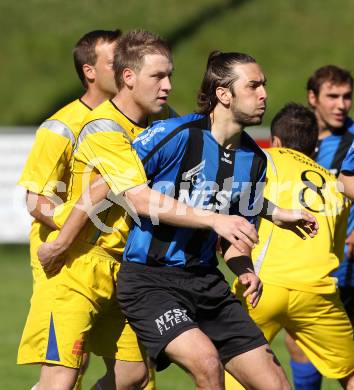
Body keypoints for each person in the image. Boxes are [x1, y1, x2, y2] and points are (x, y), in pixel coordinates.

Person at [36, 32, 267, 390]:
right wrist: (60, 243)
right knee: (63, 375)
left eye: (170, 75)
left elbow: (212, 187)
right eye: (159, 76)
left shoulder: (162, 122)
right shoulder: (101, 127)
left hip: (126, 264)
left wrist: (273, 211)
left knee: (134, 376)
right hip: (78, 267)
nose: (169, 85)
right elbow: (105, 192)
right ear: (128, 77)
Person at [114, 52, 320, 390]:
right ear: (223, 94)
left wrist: (244, 269)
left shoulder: (255, 160)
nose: (264, 94)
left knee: (277, 384)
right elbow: (131, 193)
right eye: (253, 86)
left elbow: (234, 235)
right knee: (207, 363)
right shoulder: (175, 134)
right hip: (150, 281)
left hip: (206, 283)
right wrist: (213, 220)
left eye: (264, 85)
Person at [17, 29, 121, 390]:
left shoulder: (138, 120)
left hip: (119, 260)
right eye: (115, 61)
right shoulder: (61, 126)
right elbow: (36, 200)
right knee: (67, 371)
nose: (126, 68)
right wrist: (77, 221)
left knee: (134, 376)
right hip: (67, 262)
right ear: (90, 71)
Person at [225, 103, 354, 390]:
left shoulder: (262, 160)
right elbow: (336, 249)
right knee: (350, 371)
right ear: (315, 148)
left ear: (276, 141)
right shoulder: (335, 185)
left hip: (261, 287)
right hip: (317, 291)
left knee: (234, 372)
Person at [285, 65, 354, 390]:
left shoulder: (352, 144)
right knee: (298, 344)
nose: (341, 105)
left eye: (347, 97)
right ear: (313, 98)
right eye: (333, 96)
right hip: (307, 266)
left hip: (347, 267)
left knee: (346, 362)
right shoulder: (298, 142)